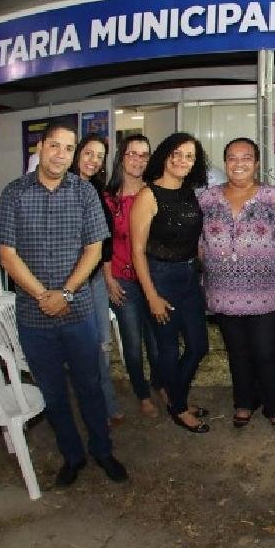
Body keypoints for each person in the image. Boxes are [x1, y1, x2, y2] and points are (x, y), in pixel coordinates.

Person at [0, 118, 128, 486]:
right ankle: (72, 456)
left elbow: (95, 249)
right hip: (33, 317)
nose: (61, 154)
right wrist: (42, 296)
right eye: (54, 146)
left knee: (90, 385)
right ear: (40, 148)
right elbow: (7, 253)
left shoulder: (84, 193)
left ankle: (102, 450)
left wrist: (65, 293)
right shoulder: (14, 193)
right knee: (53, 391)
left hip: (78, 309)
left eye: (69, 148)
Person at [199, 137, 275, 433]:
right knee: (237, 352)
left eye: (246, 157)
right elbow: (199, 243)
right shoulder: (207, 200)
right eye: (232, 157)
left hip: (265, 294)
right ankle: (244, 401)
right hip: (222, 294)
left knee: (266, 351)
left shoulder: (274, 198)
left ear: (256, 163)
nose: (239, 163)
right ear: (225, 163)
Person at [130, 132, 210, 434]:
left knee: (199, 346)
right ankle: (179, 407)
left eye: (189, 156)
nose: (182, 161)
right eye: (177, 153)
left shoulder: (191, 193)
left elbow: (196, 239)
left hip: (190, 278)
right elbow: (137, 251)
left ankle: (176, 398)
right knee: (167, 349)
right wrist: (151, 295)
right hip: (160, 278)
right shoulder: (148, 196)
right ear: (165, 155)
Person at [103, 134, 163, 418]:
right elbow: (100, 244)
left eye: (144, 155)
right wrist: (108, 279)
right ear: (121, 158)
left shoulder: (154, 193)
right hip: (122, 280)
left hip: (152, 279)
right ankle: (142, 393)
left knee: (157, 342)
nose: (138, 160)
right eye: (132, 154)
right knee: (132, 344)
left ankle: (160, 383)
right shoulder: (106, 198)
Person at [67, 133, 124, 426]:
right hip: (69, 283)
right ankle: (90, 402)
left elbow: (104, 243)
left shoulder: (97, 191)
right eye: (88, 153)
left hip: (96, 281)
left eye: (99, 156)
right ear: (77, 154)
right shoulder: (61, 189)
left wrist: (107, 276)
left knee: (102, 344)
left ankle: (107, 402)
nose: (93, 160)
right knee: (79, 345)